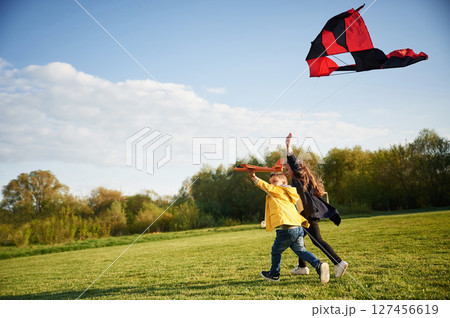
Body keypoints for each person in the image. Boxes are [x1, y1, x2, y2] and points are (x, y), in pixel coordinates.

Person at [247, 168, 330, 283]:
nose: (272, 184)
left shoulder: (279, 190)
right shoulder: (287, 192)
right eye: (271, 182)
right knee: (301, 251)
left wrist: (254, 177)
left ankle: (274, 274)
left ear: (284, 183)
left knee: (276, 251)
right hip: (298, 227)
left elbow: (266, 187)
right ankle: (318, 265)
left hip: (288, 230)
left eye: (274, 182)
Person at [285, 134, 348, 278]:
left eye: (287, 168)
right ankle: (302, 267)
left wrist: (288, 148)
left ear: (295, 168)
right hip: (305, 214)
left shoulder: (298, 175)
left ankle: (339, 263)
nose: (286, 171)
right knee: (298, 239)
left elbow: (294, 164)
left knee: (317, 240)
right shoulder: (299, 180)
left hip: (309, 213)